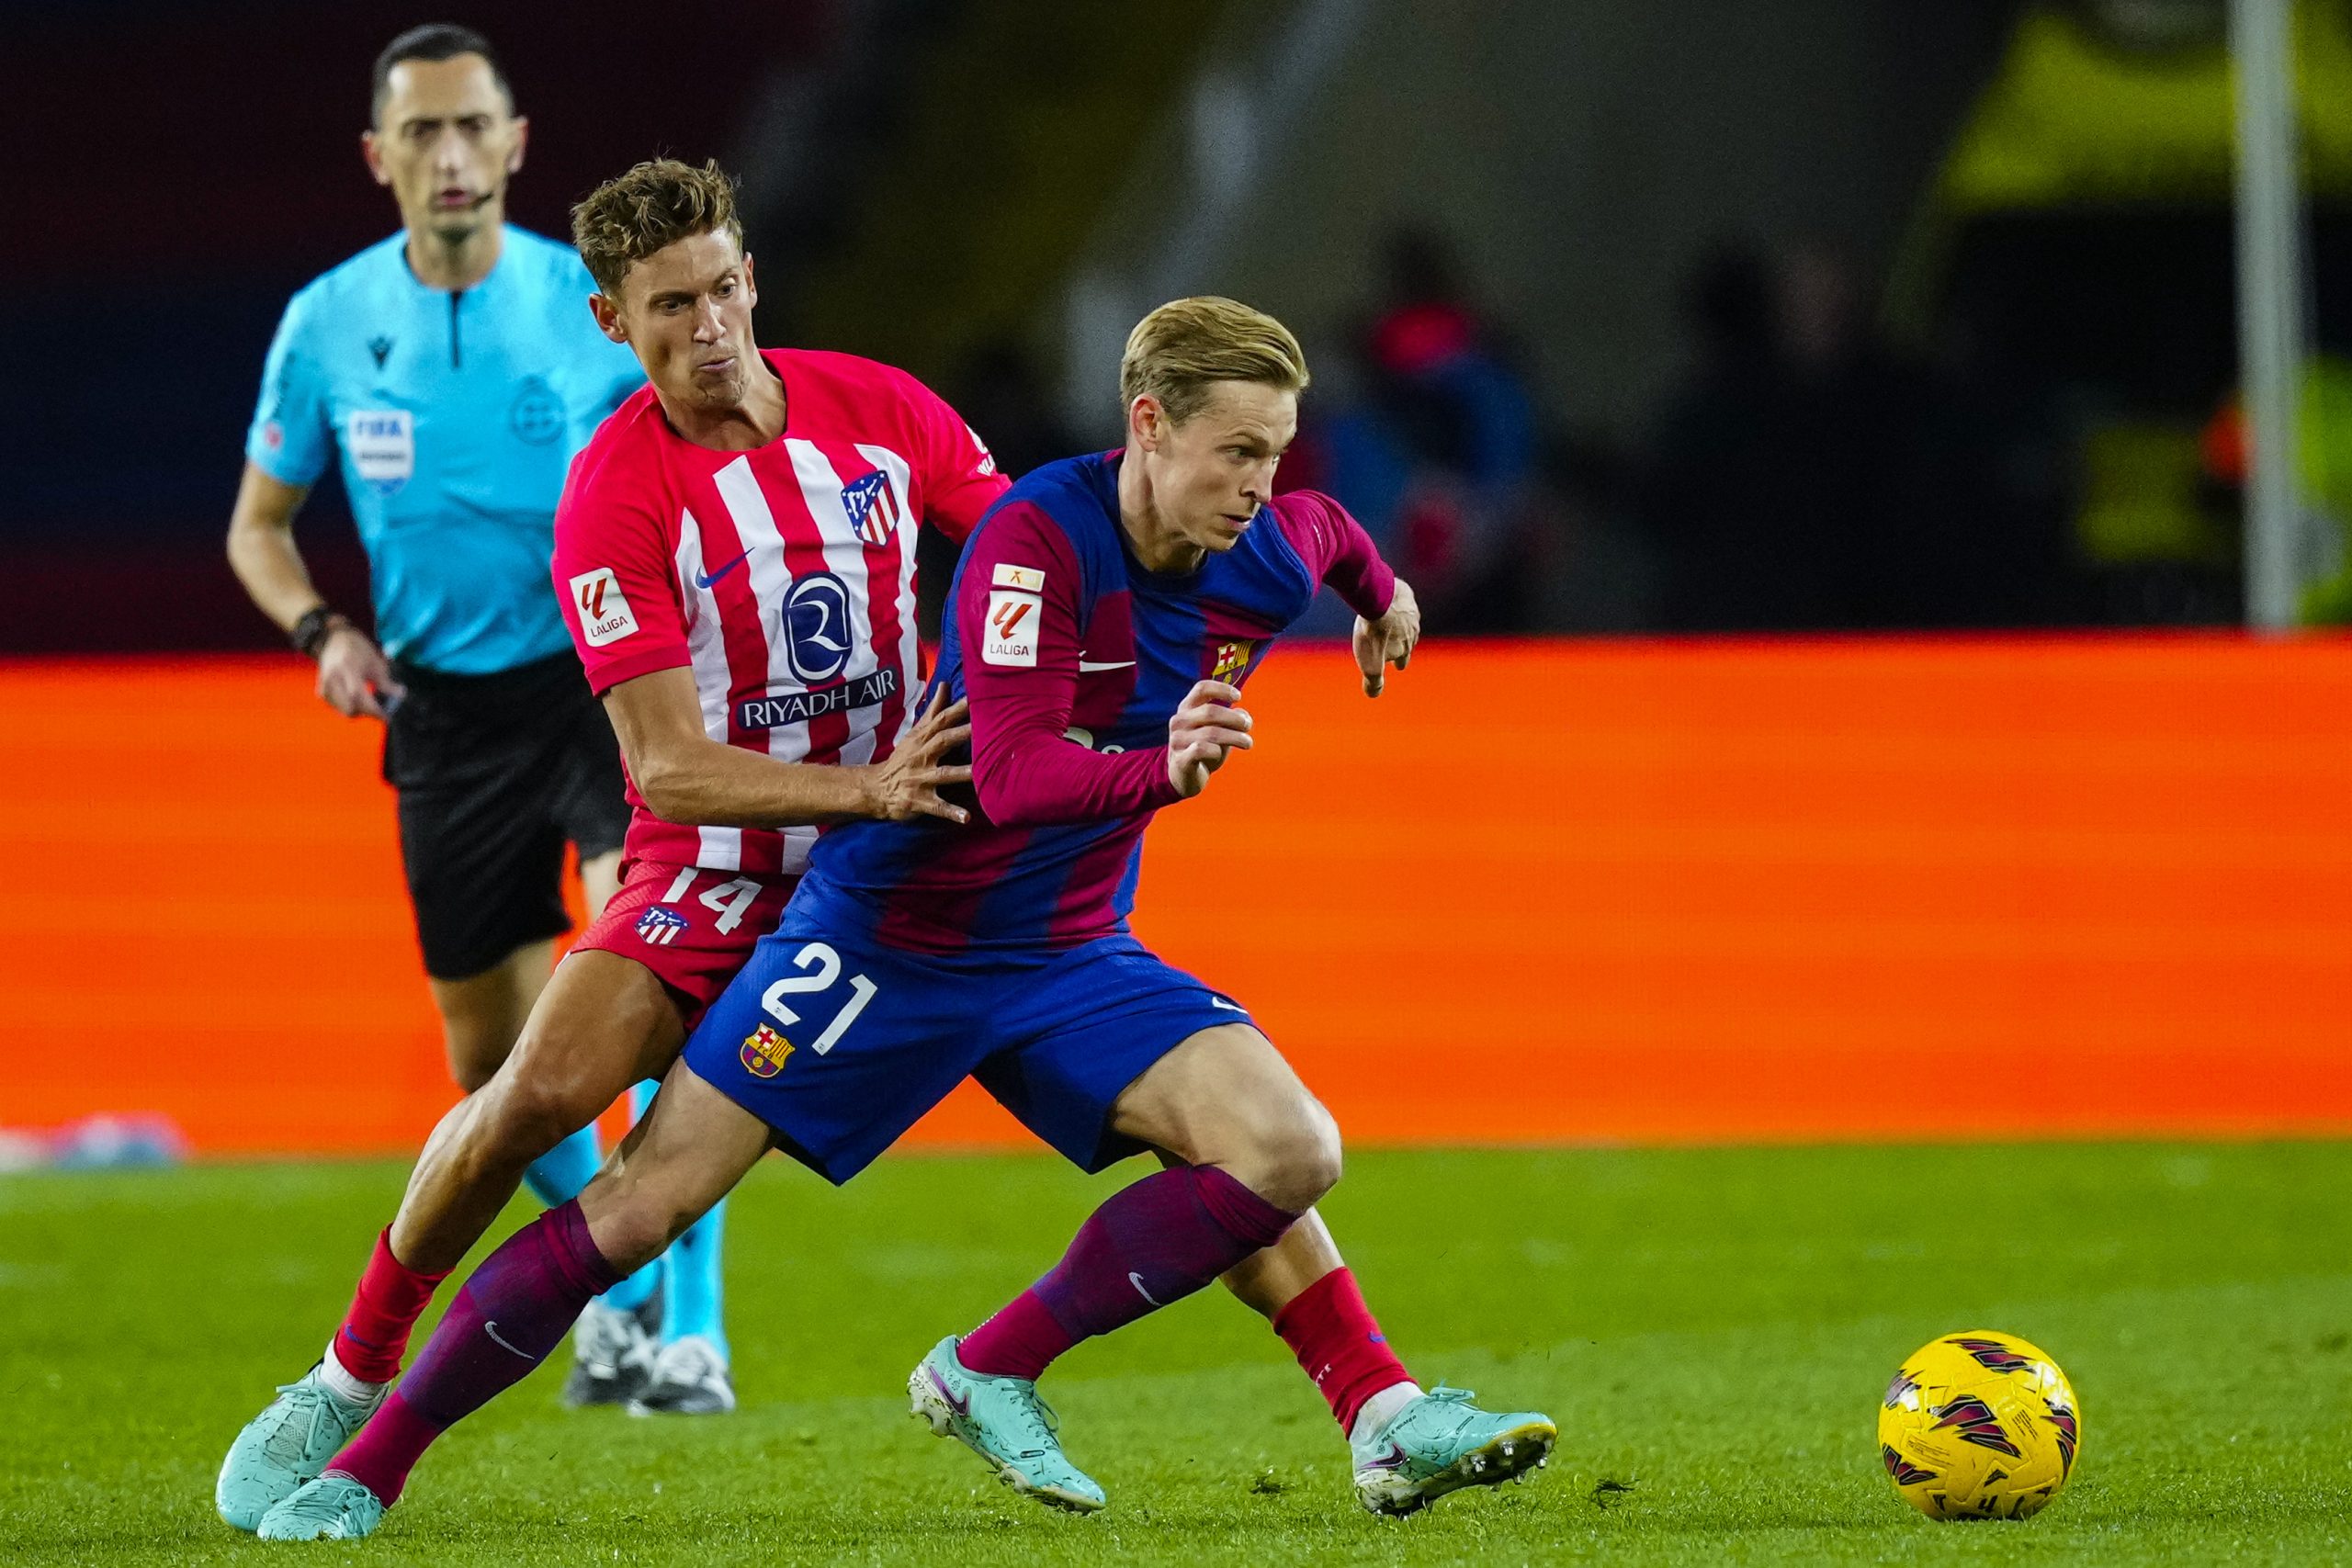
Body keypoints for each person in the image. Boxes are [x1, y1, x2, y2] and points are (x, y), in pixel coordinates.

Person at [252, 296, 1555, 1541]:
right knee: (638, 1204)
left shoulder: (1262, 544)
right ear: (1148, 425)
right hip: (889, 935)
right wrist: (1168, 768)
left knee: (1288, 1151)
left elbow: (1331, 532)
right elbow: (1011, 774)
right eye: (1237, 453)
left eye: (1271, 453)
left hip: (1064, 951)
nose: (1260, 485)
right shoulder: (1032, 547)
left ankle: (1315, 1406)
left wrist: (1387, 596)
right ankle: (368, 1455)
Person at [216, 155, 989, 1532]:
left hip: (900, 884)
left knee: (1149, 1069)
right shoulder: (614, 495)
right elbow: (668, 771)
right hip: (715, 877)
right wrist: (870, 788)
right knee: (526, 1099)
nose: (707, 329)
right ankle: (346, 1379)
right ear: (609, 324)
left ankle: (1367, 1386)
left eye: (722, 290)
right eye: (668, 307)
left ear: (753, 277)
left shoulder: (885, 412)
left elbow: (1028, 567)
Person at [214, 21, 729, 1467]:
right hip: (440, 710)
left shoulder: (592, 308)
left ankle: (692, 1324)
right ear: (382, 160)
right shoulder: (326, 323)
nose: (450, 156)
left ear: (516, 144)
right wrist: (324, 631)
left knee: (656, 982)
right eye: (421, 135)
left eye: (472, 128)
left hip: (601, 683)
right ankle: (616, 1288)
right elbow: (259, 526)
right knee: (491, 1056)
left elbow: (698, 466)